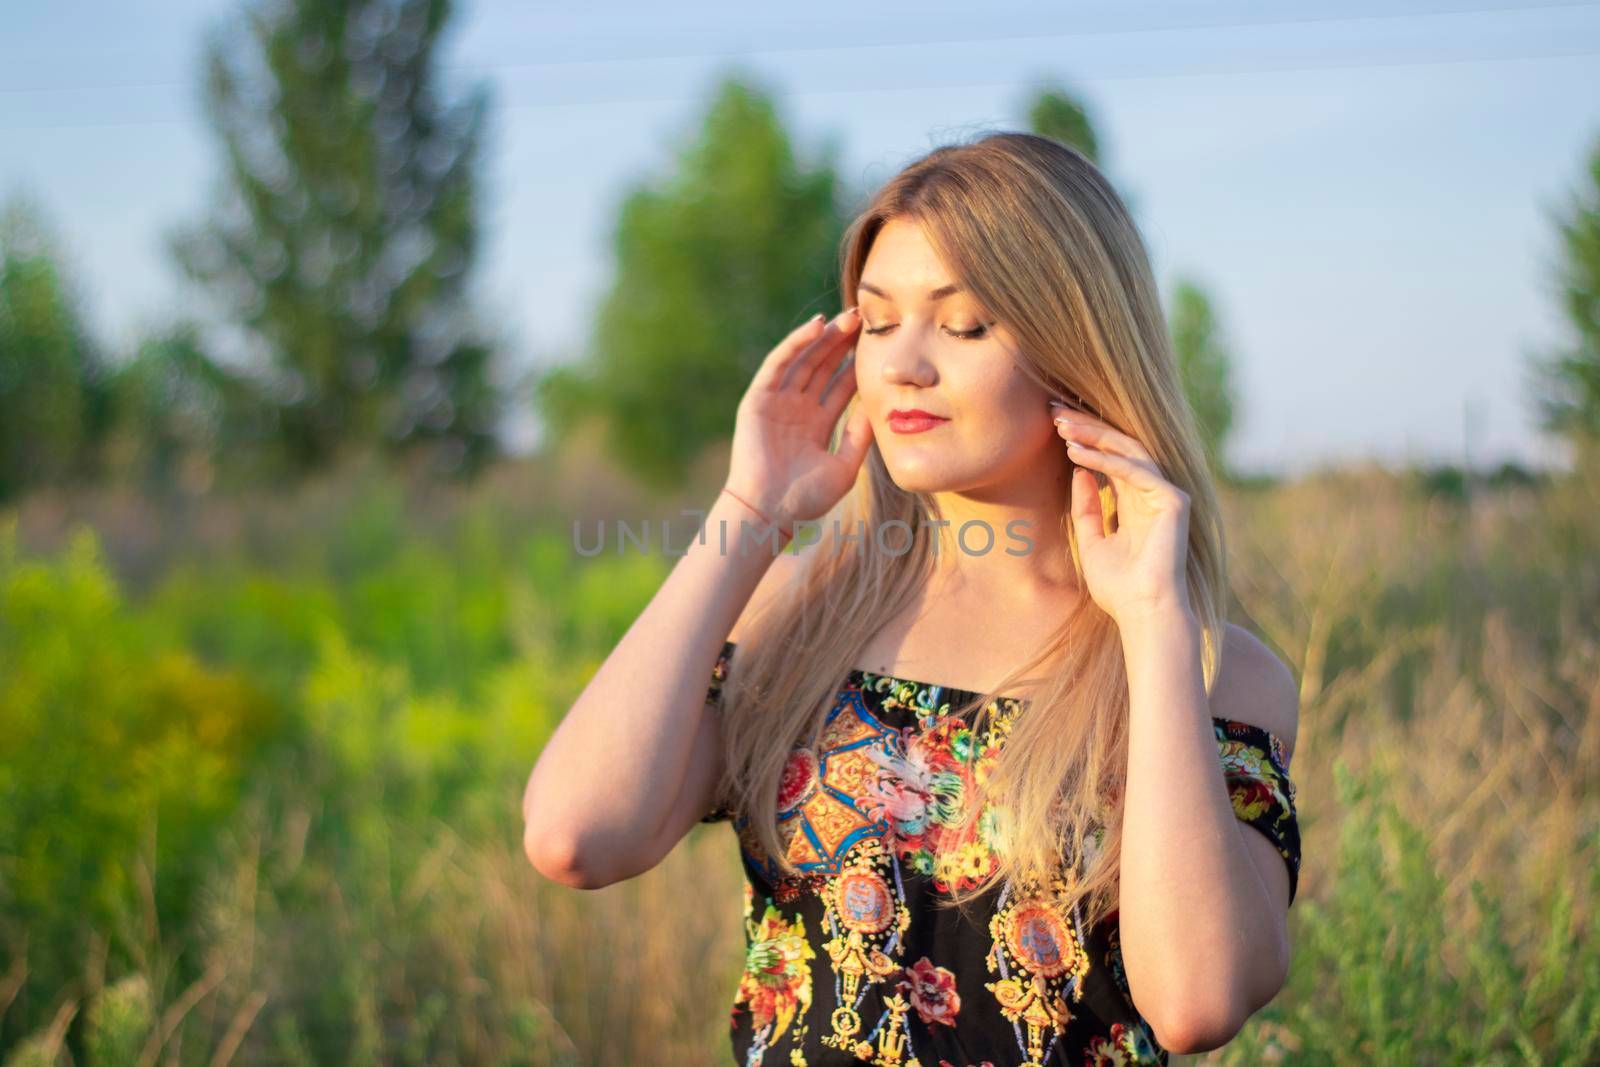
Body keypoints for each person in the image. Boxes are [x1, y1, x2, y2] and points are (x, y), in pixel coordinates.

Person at [522, 131, 1302, 1066]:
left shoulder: (1210, 668)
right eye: (878, 322)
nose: (903, 366)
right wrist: (750, 512)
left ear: (1077, 342)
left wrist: (1153, 625)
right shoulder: (800, 614)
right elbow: (576, 839)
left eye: (963, 324)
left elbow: (1197, 1003)